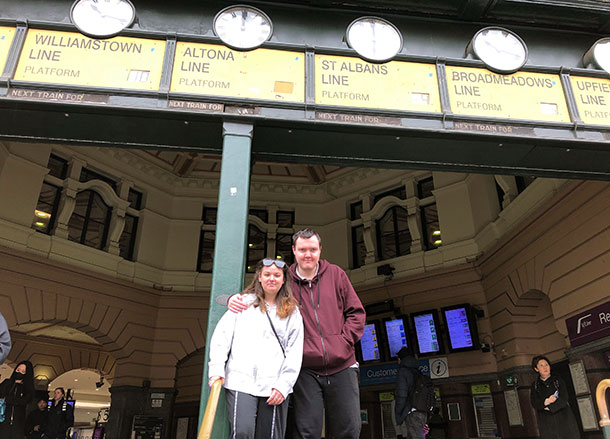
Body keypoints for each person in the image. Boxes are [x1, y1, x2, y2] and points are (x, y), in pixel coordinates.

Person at [229, 229, 366, 439]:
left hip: (343, 366)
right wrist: (232, 299)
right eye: (302, 250)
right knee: (306, 431)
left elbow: (356, 313)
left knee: (349, 429)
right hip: (305, 370)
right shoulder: (287, 280)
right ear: (294, 251)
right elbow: (262, 293)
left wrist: (344, 342)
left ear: (320, 250)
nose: (308, 254)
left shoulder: (337, 274)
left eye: (312, 249)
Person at [209, 258, 304, 439]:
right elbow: (222, 338)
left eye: (277, 275)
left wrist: (283, 386)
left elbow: (295, 351)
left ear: (284, 280)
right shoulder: (242, 303)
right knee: (242, 432)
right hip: (240, 381)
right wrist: (216, 370)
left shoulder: (292, 311)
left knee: (269, 436)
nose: (271, 279)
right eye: (267, 274)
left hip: (274, 385)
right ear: (259, 277)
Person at [530, 355, 581, 439]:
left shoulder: (558, 380)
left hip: (564, 419)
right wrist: (546, 402)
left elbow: (564, 398)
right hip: (546, 422)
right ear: (536, 369)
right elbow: (534, 402)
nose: (545, 368)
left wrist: (550, 408)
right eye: (541, 366)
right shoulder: (535, 385)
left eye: (546, 365)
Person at [395, 348, 428, 439]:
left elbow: (402, 394)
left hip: (411, 411)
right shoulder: (417, 371)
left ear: (400, 359)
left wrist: (398, 414)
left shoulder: (403, 371)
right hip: (422, 410)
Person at [0, 360, 35, 439]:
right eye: (18, 370)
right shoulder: (7, 383)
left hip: (18, 424)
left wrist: (9, 400)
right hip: (3, 421)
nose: (19, 372)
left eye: (23, 371)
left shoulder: (27, 388)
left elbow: (24, 401)